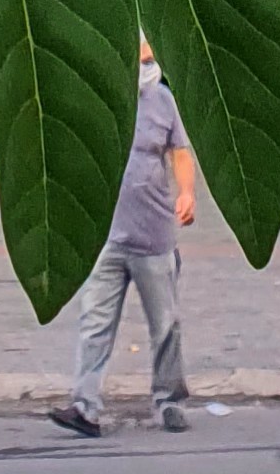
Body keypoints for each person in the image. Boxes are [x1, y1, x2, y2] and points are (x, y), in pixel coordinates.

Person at [47, 43, 195, 438]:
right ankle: (85, 406)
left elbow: (180, 152)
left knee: (166, 325)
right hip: (104, 236)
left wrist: (187, 193)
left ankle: (170, 402)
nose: (144, 65)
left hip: (154, 236)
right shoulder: (97, 97)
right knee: (95, 323)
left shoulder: (163, 101)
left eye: (148, 58)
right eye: (138, 57)